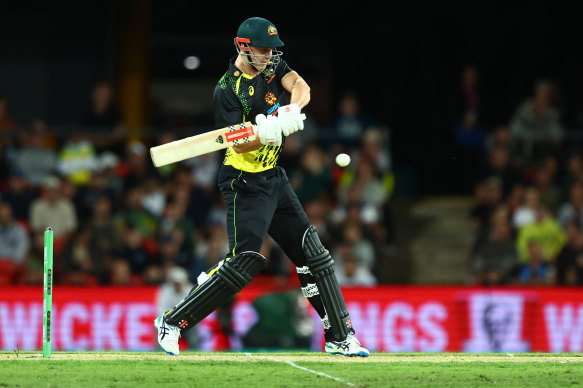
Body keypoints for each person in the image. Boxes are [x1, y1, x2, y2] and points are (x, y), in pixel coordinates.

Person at [154, 17, 369, 357]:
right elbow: (236, 145)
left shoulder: (272, 66)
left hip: (273, 175)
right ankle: (172, 322)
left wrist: (289, 110)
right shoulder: (227, 90)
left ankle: (340, 337)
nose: (269, 56)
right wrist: (264, 133)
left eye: (272, 50)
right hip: (243, 182)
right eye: (263, 50)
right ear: (243, 47)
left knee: (315, 256)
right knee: (245, 263)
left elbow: (301, 86)